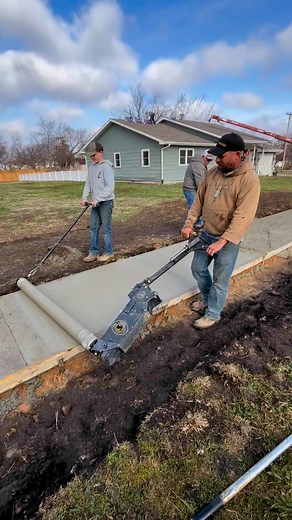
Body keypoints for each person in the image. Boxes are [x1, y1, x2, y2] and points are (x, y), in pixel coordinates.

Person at [181, 132, 260, 329]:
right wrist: (189, 223)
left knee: (220, 279)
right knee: (197, 268)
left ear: (237, 154)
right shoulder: (212, 173)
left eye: (222, 155)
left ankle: (213, 314)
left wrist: (222, 241)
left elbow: (244, 216)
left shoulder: (249, 180)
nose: (217, 159)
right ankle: (208, 300)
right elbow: (198, 200)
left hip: (227, 241)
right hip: (207, 233)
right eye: (216, 155)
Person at [81, 141, 115, 262]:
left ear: (101, 153)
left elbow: (110, 187)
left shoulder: (106, 167)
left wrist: (98, 199)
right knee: (93, 228)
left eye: (93, 155)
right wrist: (84, 197)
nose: (92, 158)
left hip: (106, 202)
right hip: (96, 202)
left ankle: (108, 252)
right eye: (90, 155)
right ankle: (93, 252)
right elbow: (88, 183)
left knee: (106, 229)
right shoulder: (91, 168)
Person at [182, 150, 214, 226]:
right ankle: (196, 224)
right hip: (190, 189)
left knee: (196, 206)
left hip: (191, 189)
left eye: (211, 160)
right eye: (208, 159)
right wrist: (206, 194)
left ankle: (196, 223)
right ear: (203, 156)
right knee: (194, 207)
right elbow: (200, 183)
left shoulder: (199, 163)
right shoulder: (198, 165)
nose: (209, 162)